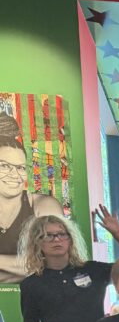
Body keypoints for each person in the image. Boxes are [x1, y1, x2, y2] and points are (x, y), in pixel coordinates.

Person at [0, 114, 65, 282]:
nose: (15, 175)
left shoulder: (44, 205)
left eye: (21, 168)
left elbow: (52, 261)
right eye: (5, 166)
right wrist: (21, 267)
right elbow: (34, 266)